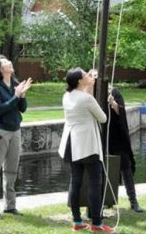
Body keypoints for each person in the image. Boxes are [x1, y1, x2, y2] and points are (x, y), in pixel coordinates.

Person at [58, 68, 114, 233]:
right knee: (95, 184)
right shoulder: (87, 98)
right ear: (80, 81)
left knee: (75, 182)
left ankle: (77, 220)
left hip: (71, 144)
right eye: (87, 75)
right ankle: (96, 223)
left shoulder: (66, 96)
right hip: (87, 145)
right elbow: (103, 118)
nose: (91, 76)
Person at [0, 57, 32, 219]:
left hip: (15, 130)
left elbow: (23, 109)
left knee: (11, 170)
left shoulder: (14, 84)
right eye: (5, 62)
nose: (9, 63)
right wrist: (16, 96)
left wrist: (22, 95)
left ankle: (10, 206)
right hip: (1, 132)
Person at [105, 83, 142, 213]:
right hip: (101, 136)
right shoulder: (90, 94)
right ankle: (107, 201)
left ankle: (133, 201)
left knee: (125, 166)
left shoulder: (115, 93)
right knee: (105, 169)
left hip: (117, 136)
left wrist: (113, 103)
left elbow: (121, 112)